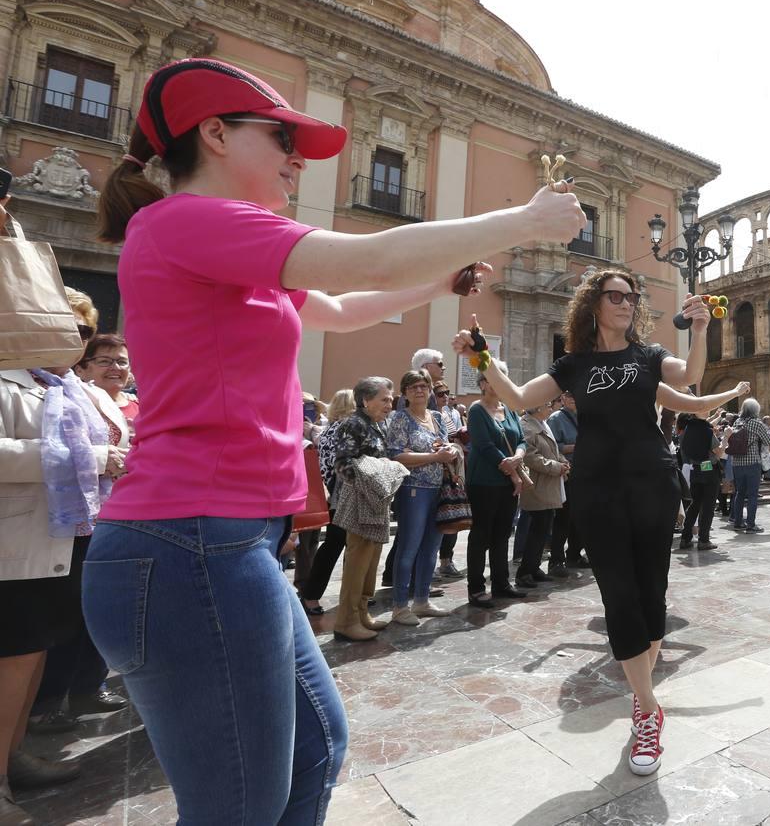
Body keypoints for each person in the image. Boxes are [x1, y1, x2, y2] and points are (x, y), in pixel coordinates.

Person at [84, 57, 585, 821]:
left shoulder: (223, 248)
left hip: (224, 543)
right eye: (281, 136)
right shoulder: (187, 220)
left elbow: (346, 306)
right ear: (214, 134)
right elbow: (368, 257)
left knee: (316, 751)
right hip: (188, 542)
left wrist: (440, 281)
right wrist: (525, 222)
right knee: (239, 809)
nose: (296, 159)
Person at [452, 269, 746, 777]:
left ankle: (641, 695)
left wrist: (699, 329)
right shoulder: (574, 364)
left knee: (652, 594)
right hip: (596, 488)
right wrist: (481, 356)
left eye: (632, 297)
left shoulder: (649, 357)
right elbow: (520, 398)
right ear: (594, 304)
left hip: (652, 483)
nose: (627, 303)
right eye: (616, 296)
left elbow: (690, 378)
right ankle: (648, 709)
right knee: (619, 595)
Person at [0, 272, 128, 822]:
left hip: (62, 539)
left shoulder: (68, 389)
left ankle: (13, 755)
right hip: (15, 547)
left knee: (33, 655)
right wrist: (93, 461)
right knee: (12, 658)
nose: (75, 340)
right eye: (67, 328)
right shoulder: (7, 380)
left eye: (83, 332)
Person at [329, 377, 401, 641]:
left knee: (371, 560)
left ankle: (361, 613)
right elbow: (343, 463)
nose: (389, 404)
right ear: (365, 400)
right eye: (384, 399)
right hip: (360, 501)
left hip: (375, 501)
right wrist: (370, 481)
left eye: (391, 399)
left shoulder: (376, 424)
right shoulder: (353, 424)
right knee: (357, 561)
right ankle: (346, 621)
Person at [385, 370, 458, 625]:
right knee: (409, 547)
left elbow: (446, 445)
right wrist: (434, 457)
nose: (419, 391)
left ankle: (422, 600)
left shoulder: (437, 417)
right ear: (404, 392)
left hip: (439, 489)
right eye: (413, 387)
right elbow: (397, 456)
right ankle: (399, 606)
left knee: (431, 548)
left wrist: (449, 450)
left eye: (423, 386)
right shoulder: (400, 419)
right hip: (413, 489)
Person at [465, 367, 528, 607]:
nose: (497, 384)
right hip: (484, 481)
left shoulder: (509, 409)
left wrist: (518, 457)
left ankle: (501, 584)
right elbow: (484, 445)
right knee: (481, 534)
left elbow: (521, 439)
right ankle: (476, 588)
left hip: (507, 480)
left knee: (502, 534)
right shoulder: (477, 410)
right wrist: (512, 471)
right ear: (482, 384)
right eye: (492, 379)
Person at [299, 389, 356, 615]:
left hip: (336, 494)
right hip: (341, 495)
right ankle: (311, 595)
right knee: (336, 544)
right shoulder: (342, 430)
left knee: (340, 545)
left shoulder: (330, 429)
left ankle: (320, 594)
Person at [517, 404, 569, 587]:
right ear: (536, 407)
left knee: (544, 527)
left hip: (548, 484)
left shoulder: (542, 423)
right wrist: (556, 467)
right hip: (537, 485)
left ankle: (534, 567)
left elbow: (553, 451)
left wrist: (562, 462)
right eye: (547, 405)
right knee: (537, 529)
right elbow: (531, 457)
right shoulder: (527, 426)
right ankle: (524, 572)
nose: (551, 407)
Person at [545, 390, 585, 574]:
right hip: (567, 472)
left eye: (575, 394)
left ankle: (575, 554)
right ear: (562, 398)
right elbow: (553, 447)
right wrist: (577, 446)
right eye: (569, 395)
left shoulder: (585, 415)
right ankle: (556, 560)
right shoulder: (556, 419)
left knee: (581, 517)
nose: (573, 399)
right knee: (563, 518)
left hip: (584, 473)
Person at [73, 333, 139, 432]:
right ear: (80, 370)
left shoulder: (142, 409)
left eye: (122, 362)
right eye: (104, 361)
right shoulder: (72, 407)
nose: (116, 367)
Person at [727, 398, 770, 533]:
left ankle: (738, 522)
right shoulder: (756, 423)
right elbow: (768, 440)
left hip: (736, 463)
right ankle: (751, 525)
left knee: (739, 493)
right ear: (756, 410)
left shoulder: (737, 422)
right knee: (752, 495)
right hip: (752, 463)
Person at [676, 412, 719, 550]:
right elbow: (719, 452)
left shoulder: (685, 431)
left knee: (694, 506)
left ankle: (685, 538)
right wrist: (727, 438)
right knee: (708, 507)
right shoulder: (706, 431)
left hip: (695, 468)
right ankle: (704, 540)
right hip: (708, 469)